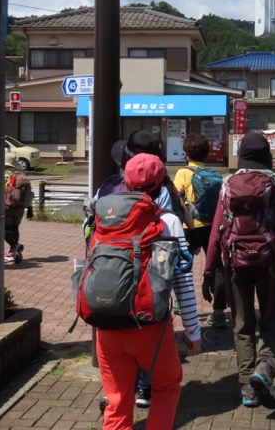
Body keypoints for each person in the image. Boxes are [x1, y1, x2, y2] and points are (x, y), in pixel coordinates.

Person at [203, 132, 275, 409]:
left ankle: (247, 387)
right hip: (270, 261)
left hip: (235, 261)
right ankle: (264, 368)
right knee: (272, 320)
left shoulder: (228, 184)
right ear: (267, 156)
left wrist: (207, 272)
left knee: (242, 324)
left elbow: (216, 232)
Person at [95, 153, 202, 430]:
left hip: (106, 323)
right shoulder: (168, 221)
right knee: (166, 387)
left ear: (126, 181)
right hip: (150, 326)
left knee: (117, 399)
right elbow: (183, 282)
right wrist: (193, 331)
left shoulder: (104, 216)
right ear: (162, 183)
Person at [173, 133, 228, 329]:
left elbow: (176, 197)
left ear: (187, 154)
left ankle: (182, 304)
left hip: (190, 227)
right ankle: (219, 312)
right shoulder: (215, 174)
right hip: (212, 226)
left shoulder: (183, 173)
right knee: (218, 267)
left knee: (183, 266)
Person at [3, 153, 26, 263]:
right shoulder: (21, 175)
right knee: (15, 228)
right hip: (20, 208)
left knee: (5, 229)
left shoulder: (4, 174)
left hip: (7, 206)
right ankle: (14, 252)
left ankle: (15, 245)